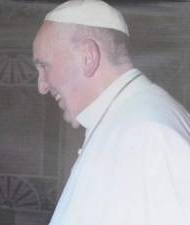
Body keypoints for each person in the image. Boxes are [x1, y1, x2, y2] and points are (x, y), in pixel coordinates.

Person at [33, 0, 190, 225]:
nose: (41, 86)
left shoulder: (150, 134)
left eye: (44, 66)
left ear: (88, 57)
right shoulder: (125, 120)